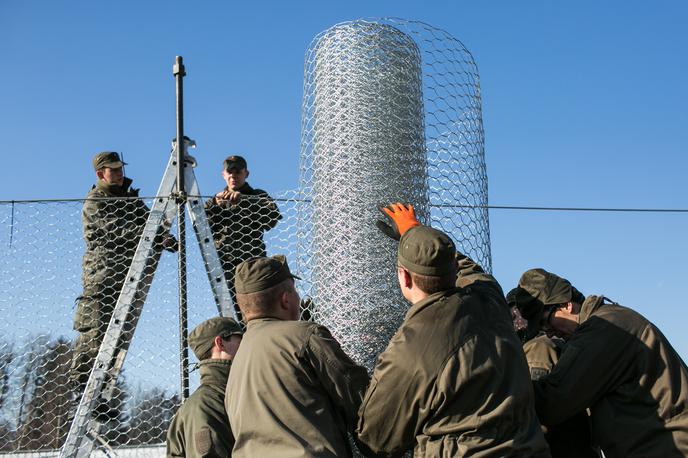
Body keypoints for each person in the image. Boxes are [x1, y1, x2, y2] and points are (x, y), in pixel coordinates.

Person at [356, 203, 550, 457]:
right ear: (453, 271)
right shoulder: (490, 300)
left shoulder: (410, 351)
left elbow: (377, 437)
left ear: (404, 277)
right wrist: (415, 233)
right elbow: (472, 272)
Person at [511, 268, 688, 457]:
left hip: (667, 448)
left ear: (566, 305)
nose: (547, 332)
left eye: (546, 321)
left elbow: (555, 400)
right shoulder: (611, 319)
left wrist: (502, 388)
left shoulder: (600, 331)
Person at [225, 255, 369, 457]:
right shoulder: (305, 336)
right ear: (285, 299)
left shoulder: (238, 359)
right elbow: (360, 399)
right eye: (295, 291)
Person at [70, 152, 176, 391]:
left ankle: (103, 392)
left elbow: (150, 221)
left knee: (118, 339)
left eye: (120, 169)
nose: (119, 174)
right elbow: (116, 231)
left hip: (129, 275)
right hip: (103, 277)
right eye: (113, 170)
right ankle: (81, 390)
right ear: (100, 174)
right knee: (95, 334)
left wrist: (165, 238)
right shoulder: (95, 201)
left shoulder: (129, 199)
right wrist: (155, 235)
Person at [506, 287, 600, 458]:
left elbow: (537, 413)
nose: (513, 319)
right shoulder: (556, 344)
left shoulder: (538, 348)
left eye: (515, 312)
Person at [205, 155, 281, 321]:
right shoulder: (216, 200)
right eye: (229, 172)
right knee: (231, 313)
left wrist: (244, 201)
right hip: (224, 265)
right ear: (223, 175)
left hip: (252, 264)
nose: (233, 175)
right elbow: (203, 229)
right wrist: (215, 207)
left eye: (237, 171)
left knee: (257, 310)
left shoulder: (257, 195)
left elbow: (272, 218)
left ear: (246, 173)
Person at [166, 316, 243, 458]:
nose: (245, 346)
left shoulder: (226, 393)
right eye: (240, 340)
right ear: (220, 343)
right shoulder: (206, 404)